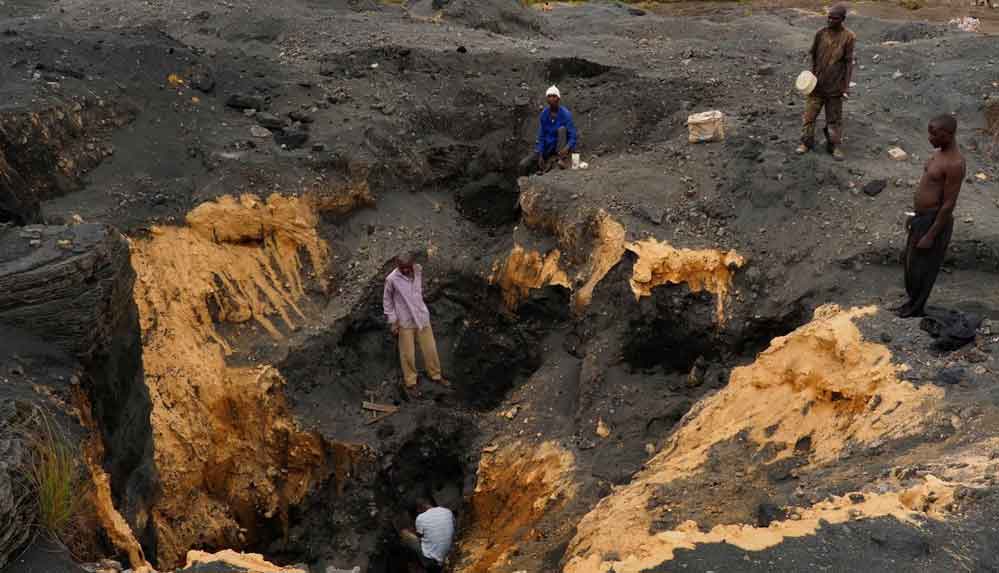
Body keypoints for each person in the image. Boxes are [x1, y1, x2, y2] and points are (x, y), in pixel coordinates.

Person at [896, 114, 966, 318]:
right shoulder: (939, 153)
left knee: (923, 269)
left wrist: (931, 234)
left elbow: (948, 204)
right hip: (922, 218)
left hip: (934, 221)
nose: (929, 138)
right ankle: (911, 303)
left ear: (948, 135)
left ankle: (916, 308)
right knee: (911, 264)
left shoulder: (955, 163)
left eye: (934, 134)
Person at [383, 254, 449, 396]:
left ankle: (436, 375)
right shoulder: (392, 279)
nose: (406, 270)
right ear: (397, 265)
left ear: (413, 264)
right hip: (405, 320)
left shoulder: (418, 270)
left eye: (408, 267)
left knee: (430, 349)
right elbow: (387, 301)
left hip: (422, 317)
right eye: (402, 268)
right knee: (408, 354)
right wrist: (393, 321)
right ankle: (411, 382)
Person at [797, 4, 855, 160]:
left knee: (834, 120)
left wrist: (846, 85)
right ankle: (806, 143)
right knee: (809, 117)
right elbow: (813, 56)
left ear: (842, 19)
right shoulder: (820, 34)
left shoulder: (849, 37)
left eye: (834, 18)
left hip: (835, 87)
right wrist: (810, 77)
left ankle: (834, 146)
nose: (830, 20)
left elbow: (849, 63)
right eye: (829, 17)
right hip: (816, 85)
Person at [519, 85, 578, 175]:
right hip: (547, 147)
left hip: (560, 147)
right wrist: (541, 154)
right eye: (549, 96)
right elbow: (541, 136)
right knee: (523, 164)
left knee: (562, 129)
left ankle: (561, 159)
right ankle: (529, 179)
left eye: (554, 96)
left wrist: (567, 148)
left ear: (558, 98)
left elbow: (573, 136)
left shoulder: (565, 114)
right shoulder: (544, 115)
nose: (551, 98)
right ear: (546, 99)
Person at [400, 498, 455, 572]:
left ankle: (425, 566)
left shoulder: (420, 518)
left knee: (404, 533)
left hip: (437, 561)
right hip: (453, 547)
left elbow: (420, 537)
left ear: (418, 510)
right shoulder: (445, 510)